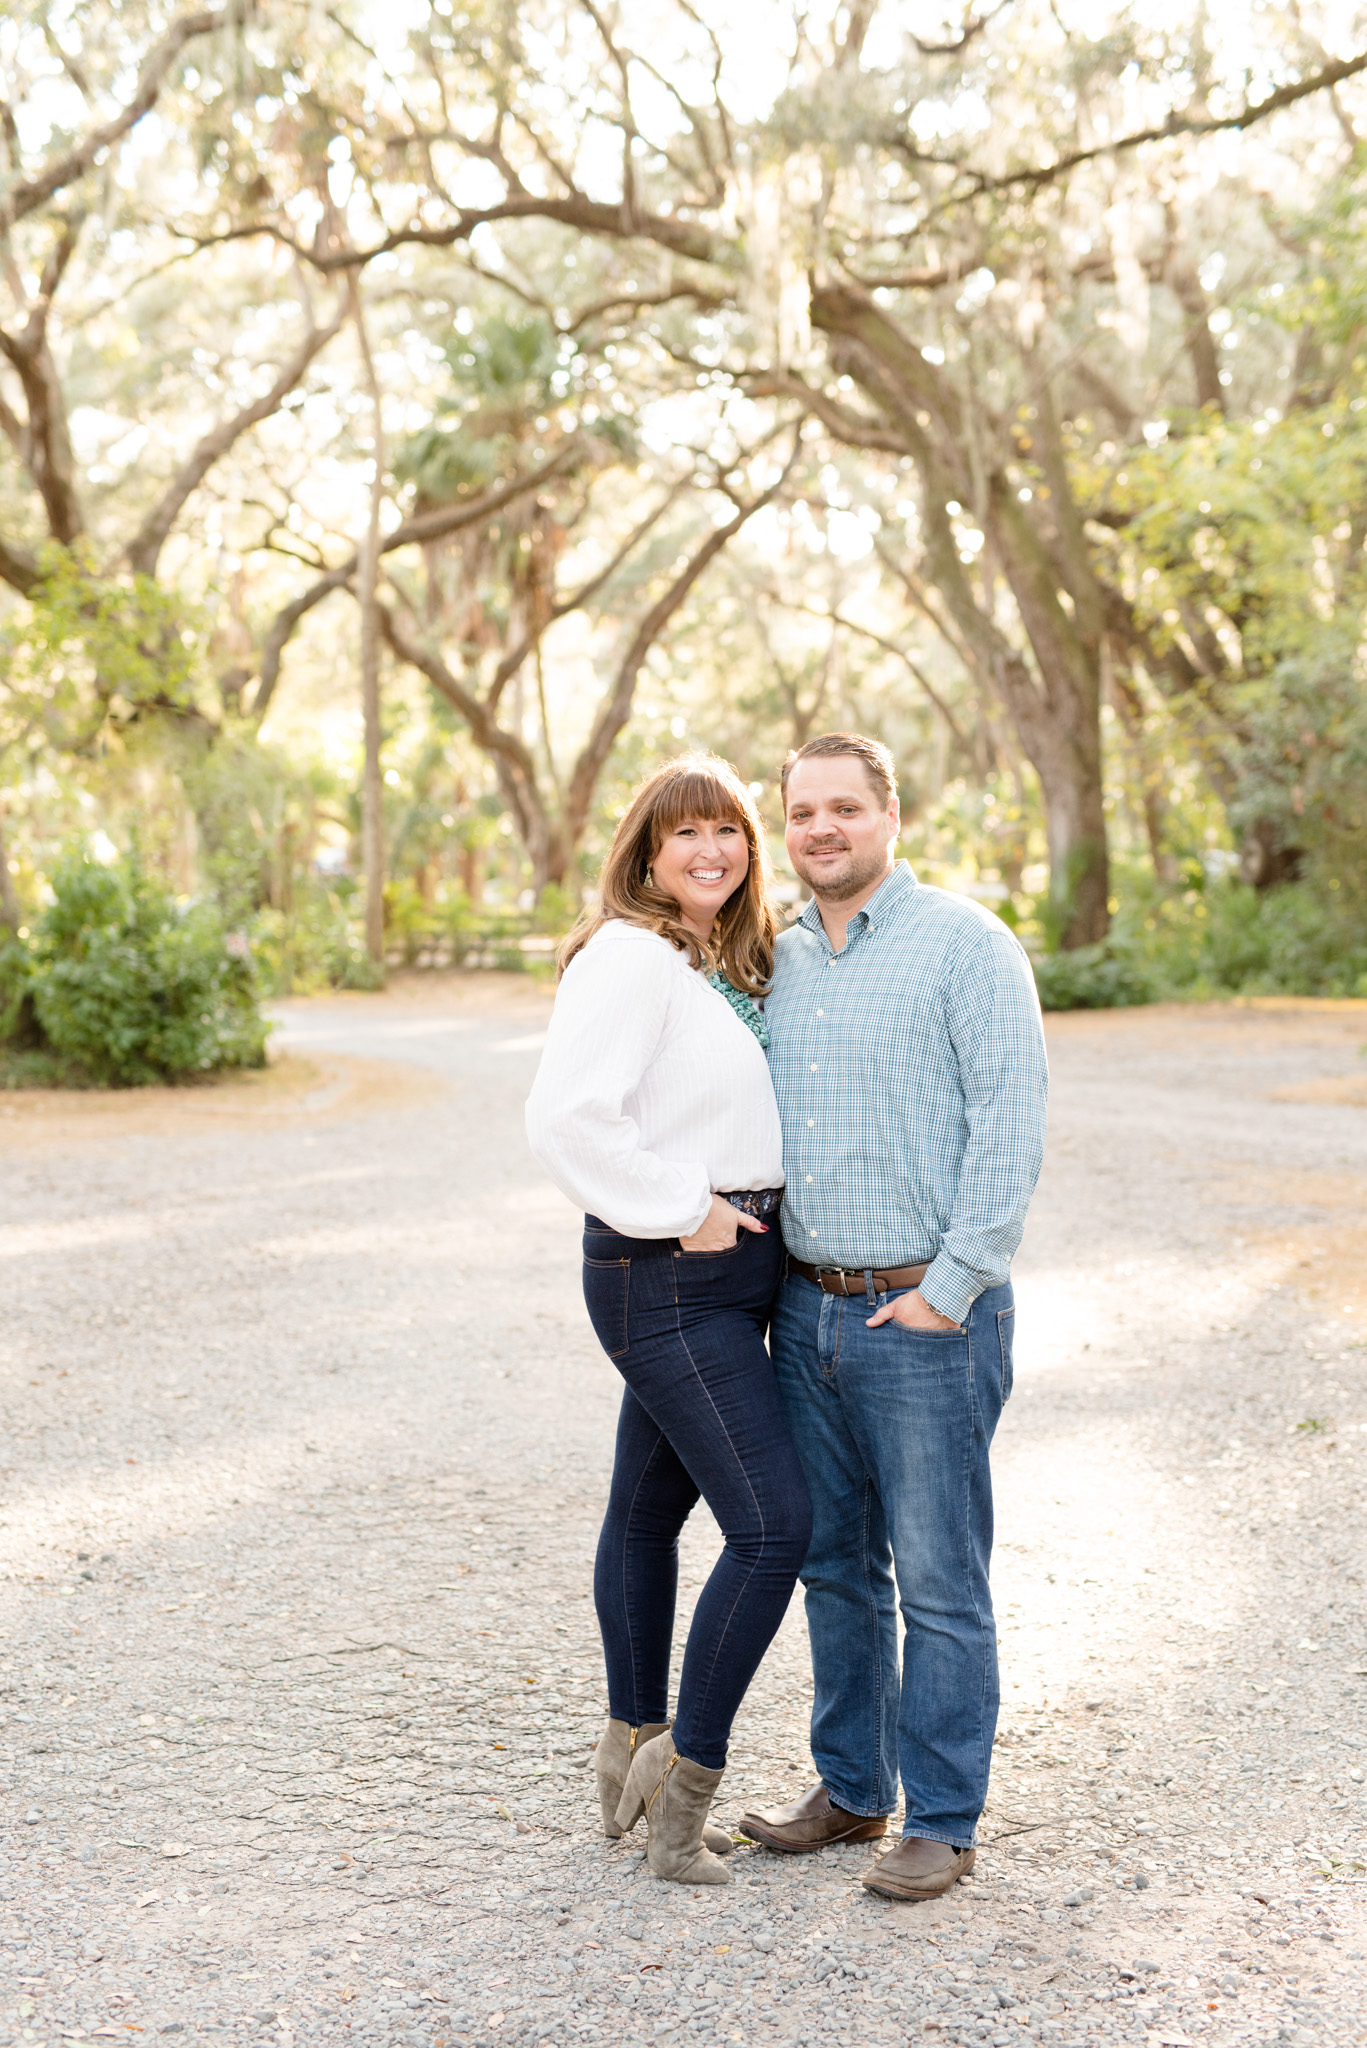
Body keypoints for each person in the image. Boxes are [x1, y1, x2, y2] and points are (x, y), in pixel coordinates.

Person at [738, 731, 1048, 1902]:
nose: (821, 829)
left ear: (890, 814)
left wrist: (949, 1291)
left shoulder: (964, 944)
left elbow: (1009, 1125)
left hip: (924, 1316)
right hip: (802, 1311)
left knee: (937, 1578)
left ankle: (944, 1816)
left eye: (843, 809)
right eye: (802, 812)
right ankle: (852, 1788)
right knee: (831, 1564)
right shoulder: (773, 956)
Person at [525, 755, 811, 1887]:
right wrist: (684, 1206)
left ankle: (630, 1743)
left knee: (644, 1511)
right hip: (669, 1267)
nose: (710, 850)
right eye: (684, 834)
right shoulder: (629, 955)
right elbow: (564, 1116)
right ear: (646, 853)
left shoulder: (711, 962)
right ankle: (681, 1804)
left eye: (729, 832)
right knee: (771, 1524)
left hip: (727, 1268)